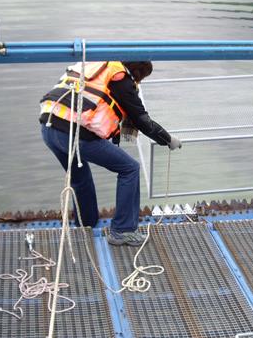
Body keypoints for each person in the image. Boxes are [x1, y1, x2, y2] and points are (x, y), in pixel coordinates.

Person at [40, 60, 181, 246]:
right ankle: (122, 231)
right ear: (138, 74)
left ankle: (86, 225)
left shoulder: (99, 68)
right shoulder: (122, 80)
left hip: (49, 127)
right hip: (74, 134)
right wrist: (168, 139)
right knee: (129, 168)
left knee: (79, 177)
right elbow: (142, 120)